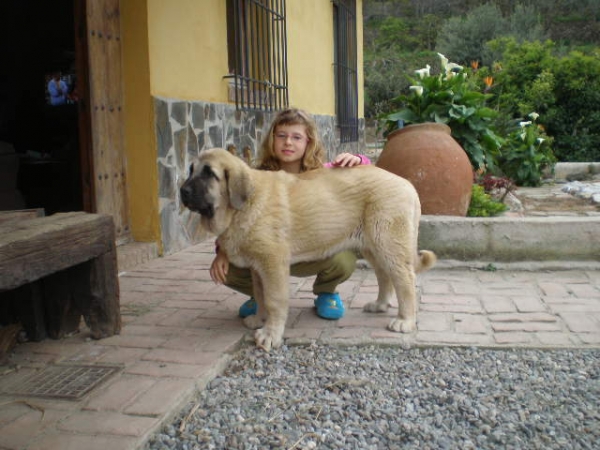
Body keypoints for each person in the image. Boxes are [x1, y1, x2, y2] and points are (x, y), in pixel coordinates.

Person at [209, 108, 371, 320]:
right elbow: (233, 217)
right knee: (226, 268)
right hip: (267, 254)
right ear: (272, 139)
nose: (288, 143)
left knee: (344, 257)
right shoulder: (254, 178)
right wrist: (222, 252)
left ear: (308, 142)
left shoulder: (324, 173)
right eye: (282, 136)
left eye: (297, 137)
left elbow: (365, 176)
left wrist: (358, 159)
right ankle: (260, 298)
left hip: (310, 252)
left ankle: (326, 292)